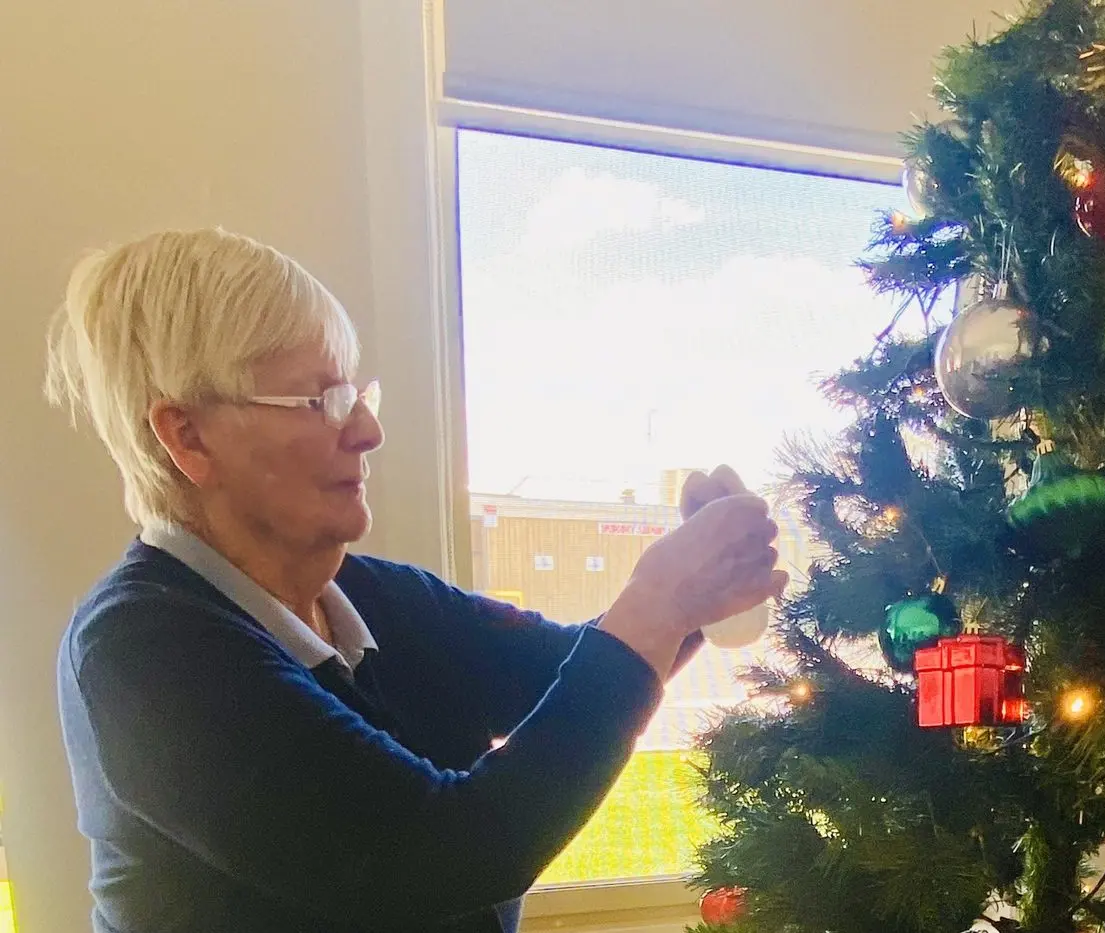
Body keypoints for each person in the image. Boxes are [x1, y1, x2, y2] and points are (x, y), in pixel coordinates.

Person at [45, 227, 788, 933]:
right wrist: (659, 604)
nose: (367, 431)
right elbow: (435, 855)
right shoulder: (144, 648)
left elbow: (556, 671)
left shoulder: (375, 594)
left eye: (358, 397)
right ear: (189, 436)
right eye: (322, 401)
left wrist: (689, 603)